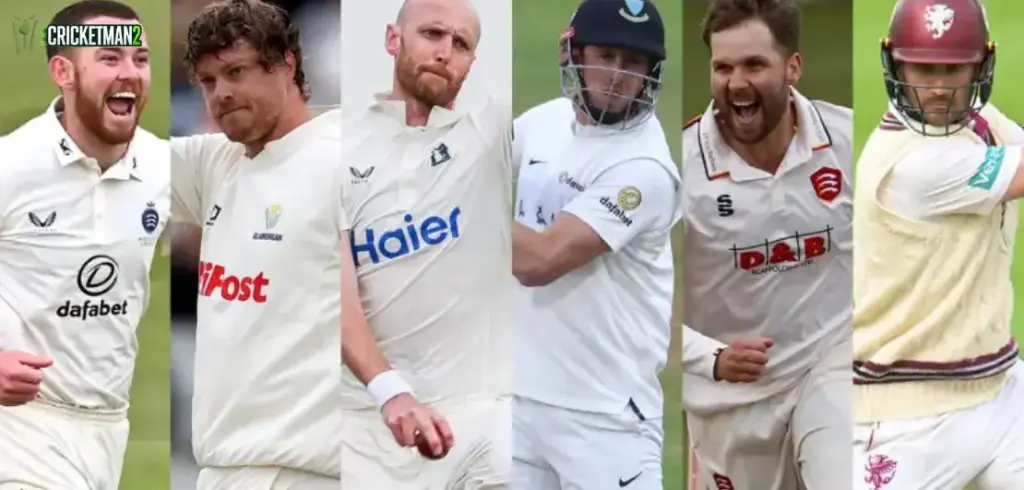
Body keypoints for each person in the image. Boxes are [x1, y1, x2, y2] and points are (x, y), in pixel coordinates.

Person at [338, 0, 514, 488]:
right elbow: (335, 295)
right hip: (369, 420)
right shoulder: (339, 150)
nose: (444, 52)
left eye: (461, 44)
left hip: (482, 415)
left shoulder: (492, 130)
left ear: (472, 62)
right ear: (393, 39)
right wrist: (390, 390)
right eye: (432, 34)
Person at [169, 0, 342, 488]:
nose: (221, 93)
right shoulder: (214, 162)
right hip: (225, 467)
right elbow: (97, 164)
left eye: (236, 72)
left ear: (286, 65)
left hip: (309, 469)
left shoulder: (345, 160)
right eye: (208, 81)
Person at [681, 0, 853, 488]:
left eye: (754, 65)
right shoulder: (680, 168)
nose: (737, 83)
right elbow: (640, 302)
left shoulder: (846, 139)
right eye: (723, 67)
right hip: (732, 402)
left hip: (831, 364)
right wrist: (710, 357)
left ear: (792, 67)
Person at [853, 0, 1024, 488]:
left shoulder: (976, 122)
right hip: (905, 415)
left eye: (954, 70)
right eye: (923, 69)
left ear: (981, 66)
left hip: (1000, 391)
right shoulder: (910, 165)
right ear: (895, 64)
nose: (938, 88)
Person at [508, 1, 678, 489]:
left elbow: (540, 261)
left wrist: (462, 205)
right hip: (520, 402)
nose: (618, 75)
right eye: (606, 55)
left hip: (607, 417)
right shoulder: (543, 123)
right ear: (573, 53)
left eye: (633, 61)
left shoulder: (644, 169)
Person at [0, 1, 168, 488]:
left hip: (108, 427)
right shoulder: (11, 164)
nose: (130, 72)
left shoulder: (163, 167)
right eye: (110, 58)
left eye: (140, 58)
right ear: (64, 72)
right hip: (20, 427)